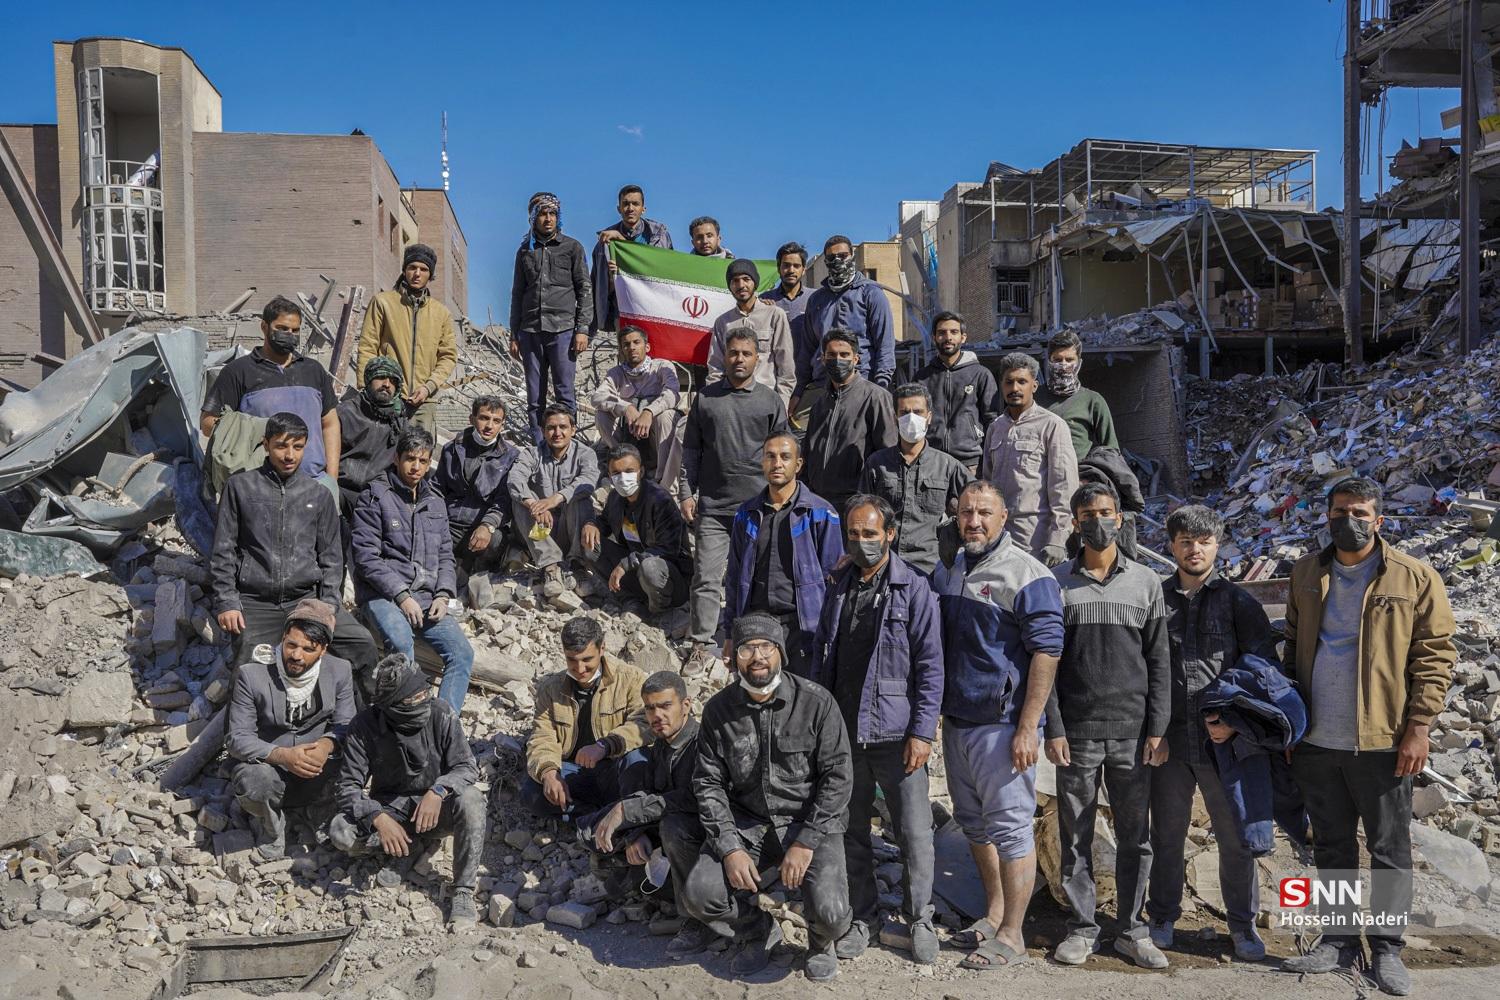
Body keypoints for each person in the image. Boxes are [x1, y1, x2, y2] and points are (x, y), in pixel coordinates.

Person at [1279, 477, 1455, 995]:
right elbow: (1292, 645)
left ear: (1378, 520)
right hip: (1316, 741)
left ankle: (1387, 948)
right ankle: (1338, 940)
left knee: (1388, 849)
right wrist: (1290, 723)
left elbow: (1435, 655)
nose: (1348, 521)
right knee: (1331, 845)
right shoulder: (1306, 572)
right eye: (1339, 512)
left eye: (1359, 513)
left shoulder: (1413, 576)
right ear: (1327, 516)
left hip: (1382, 742)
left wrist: (1418, 727)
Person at [675, 613, 853, 981]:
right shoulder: (719, 711)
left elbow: (838, 777)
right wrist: (730, 848)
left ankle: (821, 941)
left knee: (833, 915)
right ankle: (756, 930)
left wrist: (806, 842)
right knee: (700, 894)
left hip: (809, 823)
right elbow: (708, 783)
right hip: (749, 824)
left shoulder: (817, 703)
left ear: (780, 653)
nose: (757, 657)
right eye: (747, 649)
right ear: (734, 657)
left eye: (766, 647)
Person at [932, 480, 1064, 971]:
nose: (974, 521)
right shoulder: (951, 569)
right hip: (957, 722)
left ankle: (1013, 934)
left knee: (1010, 830)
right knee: (974, 824)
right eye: (966, 512)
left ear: (1004, 518)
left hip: (1003, 726)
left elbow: (1047, 652)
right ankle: (993, 915)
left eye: (984, 513)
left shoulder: (1027, 574)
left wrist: (1029, 727)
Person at [809, 495, 943, 965]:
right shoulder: (838, 585)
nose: (861, 541)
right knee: (851, 830)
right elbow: (822, 654)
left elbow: (931, 667)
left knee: (914, 833)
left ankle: (919, 918)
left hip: (896, 735)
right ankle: (863, 917)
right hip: (843, 735)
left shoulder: (914, 589)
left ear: (890, 534)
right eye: (854, 533)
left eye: (870, 533)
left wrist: (922, 733)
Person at [1045, 482, 1171, 970]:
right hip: (1076, 735)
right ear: (1076, 523)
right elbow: (1047, 662)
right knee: (1075, 834)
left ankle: (1133, 930)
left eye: (1105, 512)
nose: (1097, 521)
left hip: (1133, 735)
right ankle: (1083, 927)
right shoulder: (1056, 583)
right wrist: (1054, 726)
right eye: (1087, 514)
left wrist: (1157, 727)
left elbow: (1158, 662)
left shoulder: (1146, 582)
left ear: (1119, 518)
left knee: (1135, 836)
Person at [1147, 504, 1278, 963]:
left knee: (1235, 837)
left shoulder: (1238, 603)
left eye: (1203, 542)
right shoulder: (1155, 599)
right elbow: (1145, 668)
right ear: (1172, 546)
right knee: (1166, 834)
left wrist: (1234, 723)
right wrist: (1154, 730)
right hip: (1169, 742)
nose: (1195, 550)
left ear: (1217, 546)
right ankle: (1162, 916)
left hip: (1223, 745)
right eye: (1186, 541)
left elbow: (1261, 671)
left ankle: (1242, 926)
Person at [210, 412, 377, 673]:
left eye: (298, 447)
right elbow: (223, 551)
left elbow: (332, 558)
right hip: (256, 603)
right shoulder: (240, 488)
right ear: (266, 444)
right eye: (281, 446)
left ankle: (354, 700)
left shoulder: (318, 495)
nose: (290, 455)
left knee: (362, 644)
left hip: (306, 601)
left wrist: (328, 606)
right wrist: (227, 602)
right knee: (250, 673)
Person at [331, 655, 485, 929]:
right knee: (341, 831)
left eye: (425, 694)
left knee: (472, 799)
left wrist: (438, 790)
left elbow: (466, 767)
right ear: (391, 706)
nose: (423, 702)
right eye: (413, 700)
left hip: (436, 809)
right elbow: (347, 787)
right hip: (392, 809)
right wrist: (378, 817)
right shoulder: (365, 726)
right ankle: (407, 847)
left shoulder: (441, 713)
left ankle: (462, 891)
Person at [679, 331, 788, 671]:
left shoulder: (770, 401)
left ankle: (752, 641)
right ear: (724, 356)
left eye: (746, 353)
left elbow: (782, 454)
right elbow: (691, 451)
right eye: (734, 353)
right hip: (713, 507)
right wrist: (686, 492)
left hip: (758, 508)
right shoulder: (706, 399)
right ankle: (701, 643)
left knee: (757, 578)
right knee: (706, 578)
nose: (739, 359)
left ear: (758, 358)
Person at [351, 427, 473, 714]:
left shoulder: (435, 502)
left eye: (422, 460)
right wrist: (402, 595)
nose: (416, 467)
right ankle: (400, 719)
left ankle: (443, 723)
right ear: (397, 458)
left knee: (462, 654)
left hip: (427, 597)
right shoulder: (375, 496)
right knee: (402, 642)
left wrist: (443, 594)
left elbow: (445, 555)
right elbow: (366, 558)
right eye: (410, 459)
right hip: (382, 595)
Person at [588, 672, 710, 956]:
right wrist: (636, 834)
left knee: (673, 828)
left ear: (686, 705)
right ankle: (665, 893)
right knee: (595, 835)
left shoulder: (704, 745)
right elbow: (650, 793)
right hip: (669, 837)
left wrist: (628, 811)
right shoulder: (662, 744)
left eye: (665, 706)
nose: (657, 715)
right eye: (650, 708)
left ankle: (698, 920)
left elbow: (693, 799)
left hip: (705, 840)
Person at [226, 599, 356, 861]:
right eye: (291, 645)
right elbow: (237, 738)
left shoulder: (339, 671)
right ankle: (272, 826)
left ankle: (318, 812)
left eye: (308, 649)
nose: (296, 655)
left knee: (358, 757)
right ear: (283, 638)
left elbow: (347, 724)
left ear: (323, 650)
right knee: (254, 781)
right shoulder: (252, 674)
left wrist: (325, 746)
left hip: (317, 766)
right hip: (271, 766)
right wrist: (283, 756)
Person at [721, 432, 842, 677]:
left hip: (804, 628)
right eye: (770, 456)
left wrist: (832, 634)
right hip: (757, 627)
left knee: (803, 694)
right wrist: (730, 635)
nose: (777, 463)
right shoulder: (746, 514)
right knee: (759, 694)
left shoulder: (820, 513)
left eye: (785, 457)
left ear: (798, 464)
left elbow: (835, 580)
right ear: (762, 462)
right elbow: (734, 578)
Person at [521, 617, 649, 822]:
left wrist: (605, 745)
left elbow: (644, 724)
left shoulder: (630, 679)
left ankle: (624, 819)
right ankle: (597, 820)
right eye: (572, 660)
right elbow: (542, 736)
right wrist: (549, 772)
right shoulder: (551, 689)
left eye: (587, 660)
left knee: (637, 761)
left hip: (614, 770)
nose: (580, 669)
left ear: (602, 648)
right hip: (575, 772)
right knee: (532, 793)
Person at [202, 296, 340, 485]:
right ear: (264, 327)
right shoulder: (238, 372)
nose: (289, 335)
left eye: (295, 330)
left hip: (314, 483)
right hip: (260, 486)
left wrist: (331, 479)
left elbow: (330, 424)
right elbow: (208, 423)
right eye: (282, 328)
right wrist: (254, 429)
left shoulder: (313, 370)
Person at [858, 383, 972, 574]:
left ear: (929, 417)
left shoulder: (947, 465)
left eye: (918, 412)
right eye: (904, 412)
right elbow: (861, 512)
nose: (911, 418)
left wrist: (955, 535)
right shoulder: (876, 463)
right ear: (895, 418)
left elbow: (978, 500)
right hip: (885, 564)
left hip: (930, 567)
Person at [978, 352, 1077, 565]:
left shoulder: (1052, 426)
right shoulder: (995, 428)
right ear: (1001, 386)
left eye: (1022, 381)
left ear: (1034, 385)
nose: (1014, 388)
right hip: (997, 537)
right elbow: (987, 483)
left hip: (1035, 539)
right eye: (1009, 382)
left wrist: (1058, 539)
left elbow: (1064, 486)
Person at [509, 192, 593, 438]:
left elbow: (584, 289)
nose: (548, 219)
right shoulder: (524, 252)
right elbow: (517, 293)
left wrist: (582, 329)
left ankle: (566, 445)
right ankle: (539, 447)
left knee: (564, 392)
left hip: (563, 330)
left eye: (553, 213)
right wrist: (514, 335)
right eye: (543, 214)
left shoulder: (572, 247)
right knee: (535, 397)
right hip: (530, 331)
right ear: (533, 218)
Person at [355, 244, 458, 435]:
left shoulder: (441, 313)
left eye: (424, 269)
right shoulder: (383, 302)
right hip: (386, 396)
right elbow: (368, 346)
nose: (417, 274)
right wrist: (366, 387)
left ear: (430, 275)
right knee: (382, 449)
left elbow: (448, 357)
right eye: (412, 267)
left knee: (418, 452)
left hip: (424, 403)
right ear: (404, 270)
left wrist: (428, 387)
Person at [582, 444, 692, 613]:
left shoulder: (660, 500)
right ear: (609, 476)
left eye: (629, 471)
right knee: (591, 545)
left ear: (641, 471)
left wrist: (626, 564)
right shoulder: (615, 498)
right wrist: (592, 525)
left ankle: (659, 611)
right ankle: (628, 599)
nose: (623, 478)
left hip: (669, 576)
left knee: (650, 567)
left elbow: (668, 549)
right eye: (616, 473)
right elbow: (604, 522)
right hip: (635, 570)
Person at [432, 396, 521, 599]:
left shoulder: (511, 457)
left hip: (481, 527)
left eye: (496, 421)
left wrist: (488, 525)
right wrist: (436, 519)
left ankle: (477, 575)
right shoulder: (453, 448)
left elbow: (504, 500)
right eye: (484, 418)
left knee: (496, 541)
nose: (489, 426)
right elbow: (437, 489)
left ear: (502, 424)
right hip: (449, 523)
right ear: (472, 419)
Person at [798, 235, 894, 422]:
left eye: (842, 256)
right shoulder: (816, 300)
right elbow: (807, 349)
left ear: (852, 256)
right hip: (822, 387)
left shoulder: (871, 294)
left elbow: (885, 345)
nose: (837, 261)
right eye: (832, 258)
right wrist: (799, 390)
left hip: (861, 385)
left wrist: (880, 388)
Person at [507, 404, 599, 597]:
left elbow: (588, 481)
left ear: (573, 429)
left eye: (563, 427)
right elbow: (515, 479)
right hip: (540, 532)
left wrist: (555, 499)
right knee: (521, 500)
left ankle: (577, 566)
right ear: (543, 431)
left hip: (570, 530)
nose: (557, 433)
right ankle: (551, 567)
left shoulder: (585, 454)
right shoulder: (532, 454)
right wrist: (534, 504)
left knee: (580, 497)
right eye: (551, 428)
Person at [804, 329, 896, 515]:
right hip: (819, 502)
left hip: (857, 503)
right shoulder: (819, 404)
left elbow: (888, 453)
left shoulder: (875, 397)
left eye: (844, 355)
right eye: (832, 355)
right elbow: (808, 452)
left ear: (856, 359)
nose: (838, 360)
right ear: (823, 359)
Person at [590, 324, 683, 492]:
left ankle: (664, 482)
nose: (631, 347)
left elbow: (672, 394)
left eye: (636, 342)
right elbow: (597, 397)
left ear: (647, 347)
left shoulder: (662, 366)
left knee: (666, 416)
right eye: (626, 344)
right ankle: (624, 463)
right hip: (629, 434)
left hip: (656, 437)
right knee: (602, 414)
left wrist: (649, 412)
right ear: (622, 350)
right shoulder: (616, 373)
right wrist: (626, 408)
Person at [914, 310, 1001, 474]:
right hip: (930, 462)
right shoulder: (922, 378)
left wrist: (987, 461)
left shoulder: (980, 374)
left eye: (954, 332)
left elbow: (992, 420)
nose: (948, 337)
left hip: (970, 464)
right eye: (942, 333)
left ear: (963, 337)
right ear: (934, 338)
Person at [707, 259, 795, 406]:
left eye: (746, 279)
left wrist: (781, 405)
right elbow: (715, 368)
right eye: (735, 281)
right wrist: (714, 403)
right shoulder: (722, 322)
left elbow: (786, 365)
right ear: (730, 286)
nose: (741, 285)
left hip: (766, 400)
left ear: (755, 282)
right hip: (730, 401)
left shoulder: (774, 315)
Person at [591, 184, 674, 335]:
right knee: (627, 349)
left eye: (635, 204)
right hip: (621, 310)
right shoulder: (605, 239)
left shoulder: (658, 235)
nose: (630, 208)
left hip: (653, 309)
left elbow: (660, 266)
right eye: (626, 204)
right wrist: (611, 277)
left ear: (643, 208)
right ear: (619, 209)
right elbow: (596, 282)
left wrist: (620, 240)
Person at [336, 357, 409, 517]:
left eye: (393, 381)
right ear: (369, 380)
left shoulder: (400, 423)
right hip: (341, 491)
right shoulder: (346, 412)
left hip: (376, 498)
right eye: (381, 377)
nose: (387, 384)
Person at [1037, 330, 1118, 462]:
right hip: (1039, 472)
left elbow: (1111, 451)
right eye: (1057, 360)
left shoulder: (1093, 401)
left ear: (1079, 363)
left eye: (1069, 360)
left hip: (1078, 473)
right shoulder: (1033, 399)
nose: (1063, 365)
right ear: (1049, 361)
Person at [763, 242, 813, 423]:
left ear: (804, 270)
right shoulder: (765, 300)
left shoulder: (815, 299)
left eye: (796, 266)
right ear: (779, 268)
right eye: (786, 265)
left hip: (809, 385)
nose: (791, 270)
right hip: (773, 384)